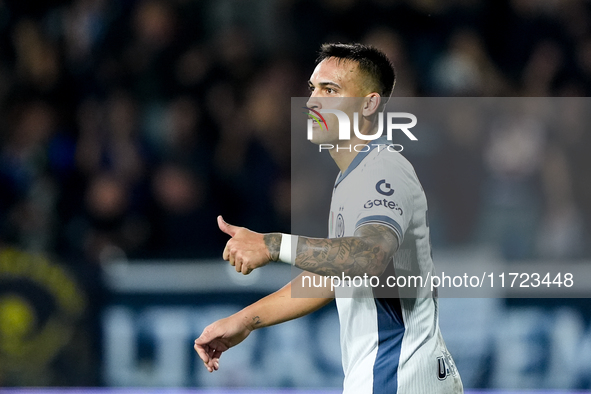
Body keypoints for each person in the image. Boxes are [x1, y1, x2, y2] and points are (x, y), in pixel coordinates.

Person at [194, 43, 463, 394]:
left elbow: (368, 257)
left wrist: (272, 244)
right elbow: (335, 276)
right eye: (313, 89)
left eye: (330, 90)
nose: (312, 102)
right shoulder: (353, 176)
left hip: (397, 379)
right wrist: (245, 320)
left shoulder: (382, 171)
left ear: (369, 104)